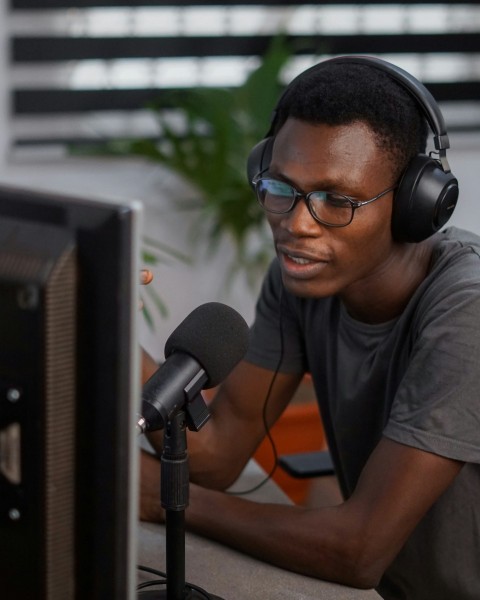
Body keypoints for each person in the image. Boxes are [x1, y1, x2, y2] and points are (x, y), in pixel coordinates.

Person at [139, 56, 480, 599]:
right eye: (280, 187)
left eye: (335, 200)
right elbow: (220, 454)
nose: (296, 224)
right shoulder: (303, 276)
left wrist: (166, 498)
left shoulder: (467, 309)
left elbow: (360, 549)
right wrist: (102, 318)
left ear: (417, 204)